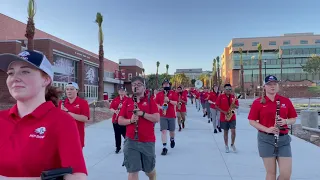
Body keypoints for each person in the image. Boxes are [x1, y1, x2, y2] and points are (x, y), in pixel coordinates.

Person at [0, 50, 87, 179]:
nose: (14, 77)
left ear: (46, 80)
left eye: (25, 71)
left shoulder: (62, 121)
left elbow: (77, 176)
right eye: (10, 73)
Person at [248, 75, 297, 180]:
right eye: (269, 84)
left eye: (275, 84)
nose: (272, 86)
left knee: (286, 175)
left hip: (283, 139)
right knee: (271, 174)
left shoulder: (285, 101)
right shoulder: (258, 102)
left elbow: (293, 118)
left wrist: (285, 121)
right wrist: (266, 129)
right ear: (264, 86)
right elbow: (252, 121)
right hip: (266, 139)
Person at [118, 76, 159, 180]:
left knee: (149, 171)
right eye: (134, 85)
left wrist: (142, 113)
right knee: (132, 171)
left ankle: (153, 176)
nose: (136, 87)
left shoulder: (150, 101)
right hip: (131, 141)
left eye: (139, 84)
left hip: (147, 141)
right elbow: (120, 120)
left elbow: (156, 118)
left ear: (144, 87)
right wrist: (130, 121)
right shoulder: (127, 102)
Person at [59, 82, 90, 149]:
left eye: (71, 89)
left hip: (77, 136)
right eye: (67, 89)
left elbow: (85, 118)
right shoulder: (61, 103)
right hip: (63, 136)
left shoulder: (83, 103)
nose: (69, 91)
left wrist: (68, 112)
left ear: (77, 91)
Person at [155, 79, 178, 155]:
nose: (166, 85)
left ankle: (172, 139)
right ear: (162, 85)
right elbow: (156, 104)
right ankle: (164, 147)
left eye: (167, 84)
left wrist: (168, 101)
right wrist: (161, 107)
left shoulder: (173, 93)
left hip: (171, 115)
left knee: (172, 131)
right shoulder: (159, 94)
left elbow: (176, 103)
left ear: (169, 85)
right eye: (164, 84)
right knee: (164, 131)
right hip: (163, 116)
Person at [215, 83, 239, 153]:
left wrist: (234, 105)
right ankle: (226, 146)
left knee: (233, 132)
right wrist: (224, 112)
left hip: (232, 116)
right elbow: (216, 106)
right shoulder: (220, 96)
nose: (228, 90)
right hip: (224, 117)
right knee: (226, 132)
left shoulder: (234, 97)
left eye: (230, 89)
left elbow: (237, 106)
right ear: (224, 89)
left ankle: (232, 144)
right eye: (227, 89)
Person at [109, 85, 128, 153]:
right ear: (118, 91)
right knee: (117, 134)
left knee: (125, 134)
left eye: (123, 90)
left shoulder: (127, 99)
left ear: (125, 91)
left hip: (124, 120)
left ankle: (128, 146)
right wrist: (115, 111)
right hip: (116, 120)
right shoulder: (115, 99)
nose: (121, 92)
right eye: (120, 90)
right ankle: (118, 147)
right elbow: (111, 108)